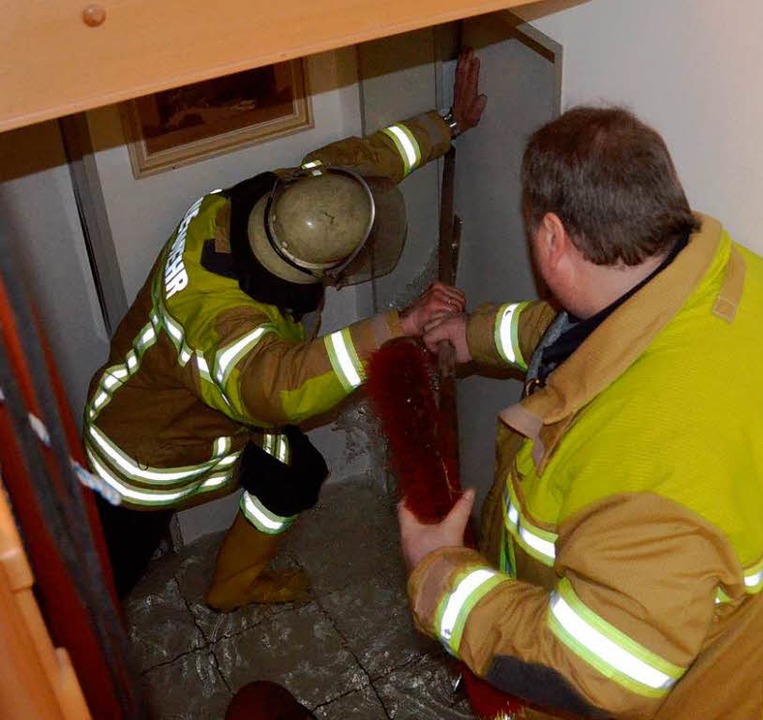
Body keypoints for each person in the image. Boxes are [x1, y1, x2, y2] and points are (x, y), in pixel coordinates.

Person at [400, 106, 763, 719]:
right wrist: (475, 333)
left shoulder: (658, 464)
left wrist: (440, 578)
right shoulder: (731, 280)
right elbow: (589, 329)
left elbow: (598, 675)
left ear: (552, 238)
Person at [84, 51, 487, 611]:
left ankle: (232, 587)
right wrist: (400, 325)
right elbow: (278, 388)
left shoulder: (287, 197)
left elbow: (371, 159)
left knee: (295, 476)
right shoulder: (220, 320)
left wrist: (449, 123)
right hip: (145, 451)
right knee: (109, 575)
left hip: (205, 408)